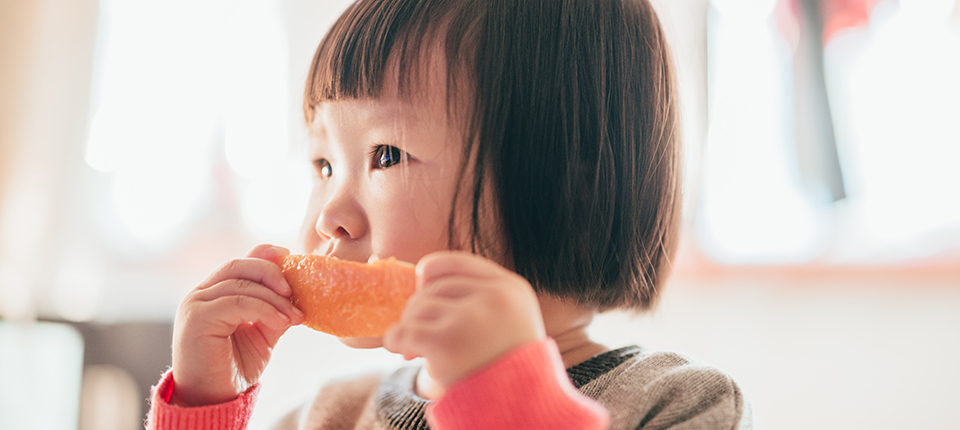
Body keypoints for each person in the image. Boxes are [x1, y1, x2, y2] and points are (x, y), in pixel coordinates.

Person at [147, 0, 751, 428]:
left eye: (386, 155)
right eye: (323, 164)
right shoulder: (328, 416)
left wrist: (508, 403)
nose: (330, 215)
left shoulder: (677, 405)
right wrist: (205, 405)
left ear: (566, 178)